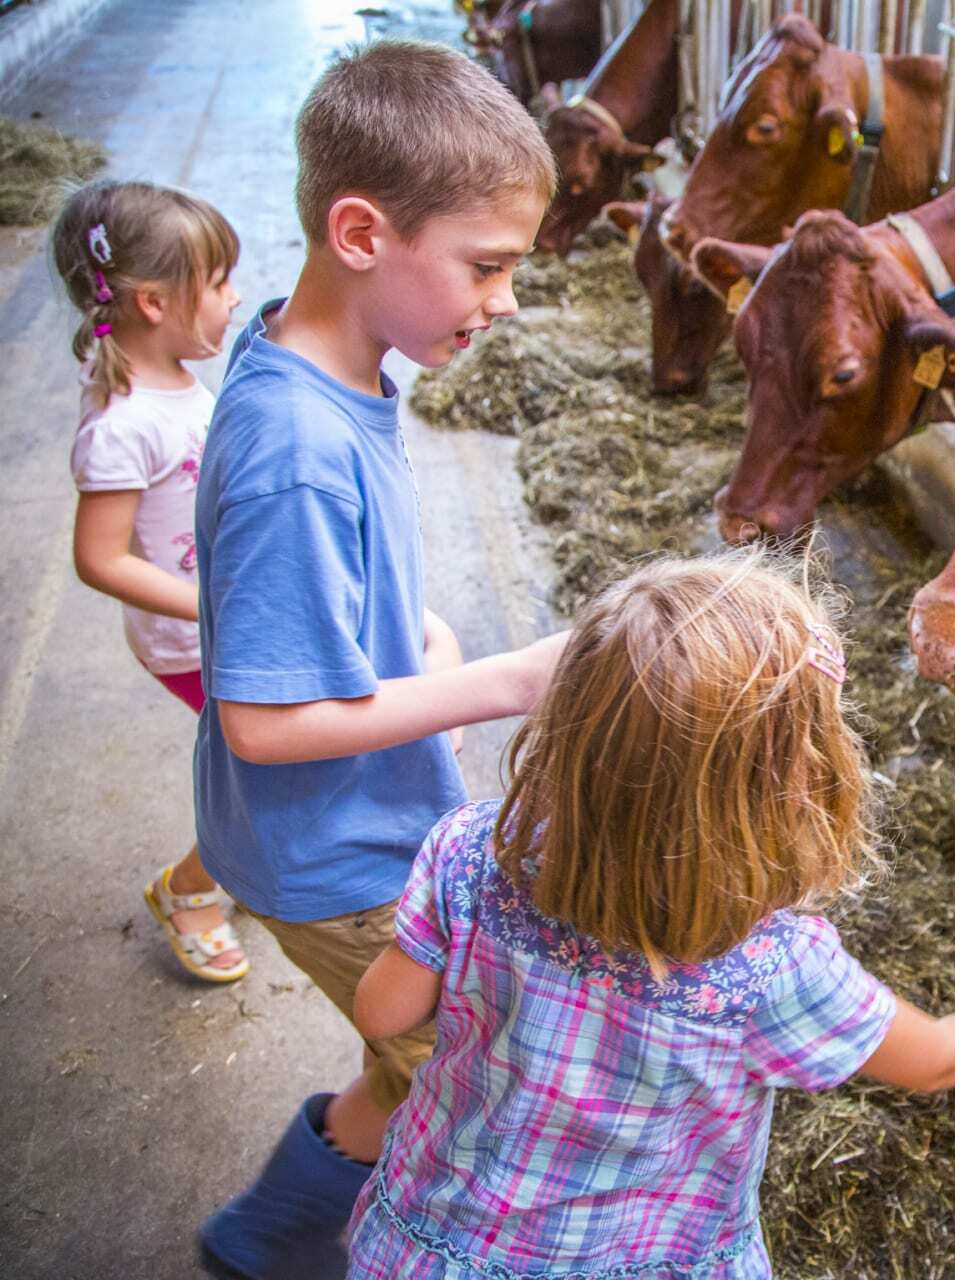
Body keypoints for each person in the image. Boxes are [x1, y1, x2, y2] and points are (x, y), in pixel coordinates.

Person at [345, 551, 955, 1279]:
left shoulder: (475, 850)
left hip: (430, 1242)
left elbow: (382, 1012)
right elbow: (937, 1058)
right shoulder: (772, 972)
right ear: (786, 789)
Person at [191, 38, 566, 1280]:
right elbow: (263, 719)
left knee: (420, 1055)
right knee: (470, 1069)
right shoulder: (298, 447)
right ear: (361, 232)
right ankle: (320, 1237)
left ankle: (274, 1228)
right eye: (487, 265)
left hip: (348, 825)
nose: (506, 301)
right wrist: (502, 679)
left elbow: (323, 604)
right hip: (337, 859)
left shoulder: (327, 363)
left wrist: (419, 646)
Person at [52, 179, 249, 983]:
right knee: (266, 772)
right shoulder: (122, 424)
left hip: (230, 619)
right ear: (153, 302)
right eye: (220, 283)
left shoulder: (173, 376)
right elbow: (100, 558)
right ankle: (190, 890)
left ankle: (239, 862)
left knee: (270, 764)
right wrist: (210, 606)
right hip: (191, 639)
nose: (236, 298)